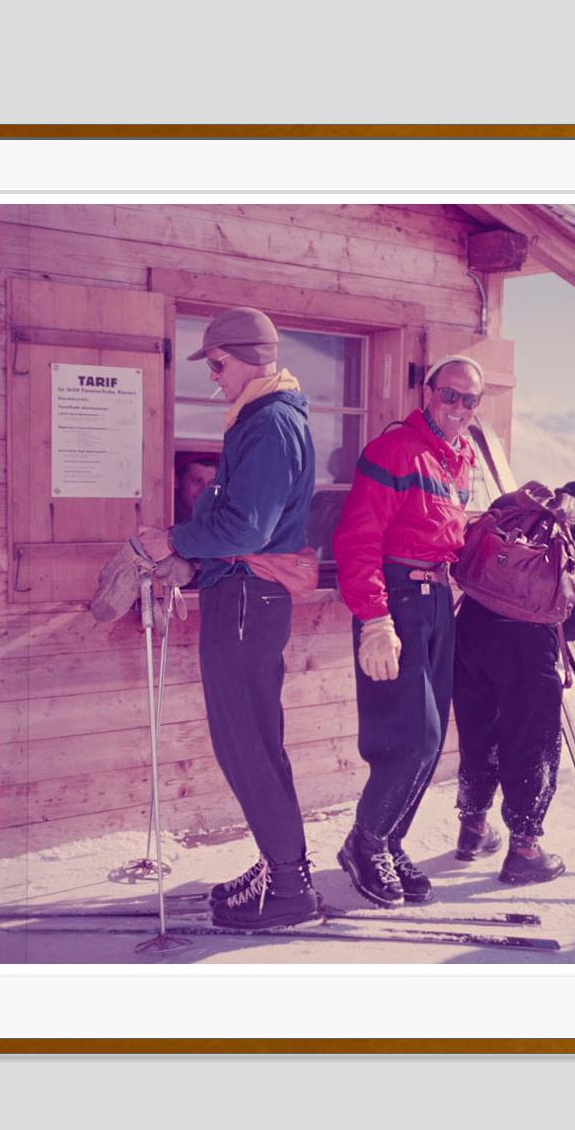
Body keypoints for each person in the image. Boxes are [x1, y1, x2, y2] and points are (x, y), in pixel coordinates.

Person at [164, 307, 318, 929]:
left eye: (219, 364)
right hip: (252, 596)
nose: (215, 378)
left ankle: (288, 887)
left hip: (248, 600)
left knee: (244, 742)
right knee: (255, 740)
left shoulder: (268, 424)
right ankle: (283, 865)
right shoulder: (266, 418)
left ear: (251, 357)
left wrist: (173, 541)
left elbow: (245, 526)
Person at [331, 355, 483, 906]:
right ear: (427, 391)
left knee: (432, 737)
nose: (459, 408)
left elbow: (448, 532)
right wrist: (374, 618)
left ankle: (390, 841)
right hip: (397, 601)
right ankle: (365, 843)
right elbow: (356, 540)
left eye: (470, 400)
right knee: (409, 735)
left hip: (439, 599)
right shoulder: (394, 450)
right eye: (451, 396)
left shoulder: (459, 460)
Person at [452, 470, 575, 884]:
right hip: (529, 646)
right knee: (532, 744)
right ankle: (525, 850)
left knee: (478, 731)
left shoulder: (521, 505)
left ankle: (472, 830)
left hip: (472, 626)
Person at [174, 455, 219, 523]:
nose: (205, 490)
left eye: (211, 483)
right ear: (176, 481)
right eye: (197, 481)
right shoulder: (163, 517)